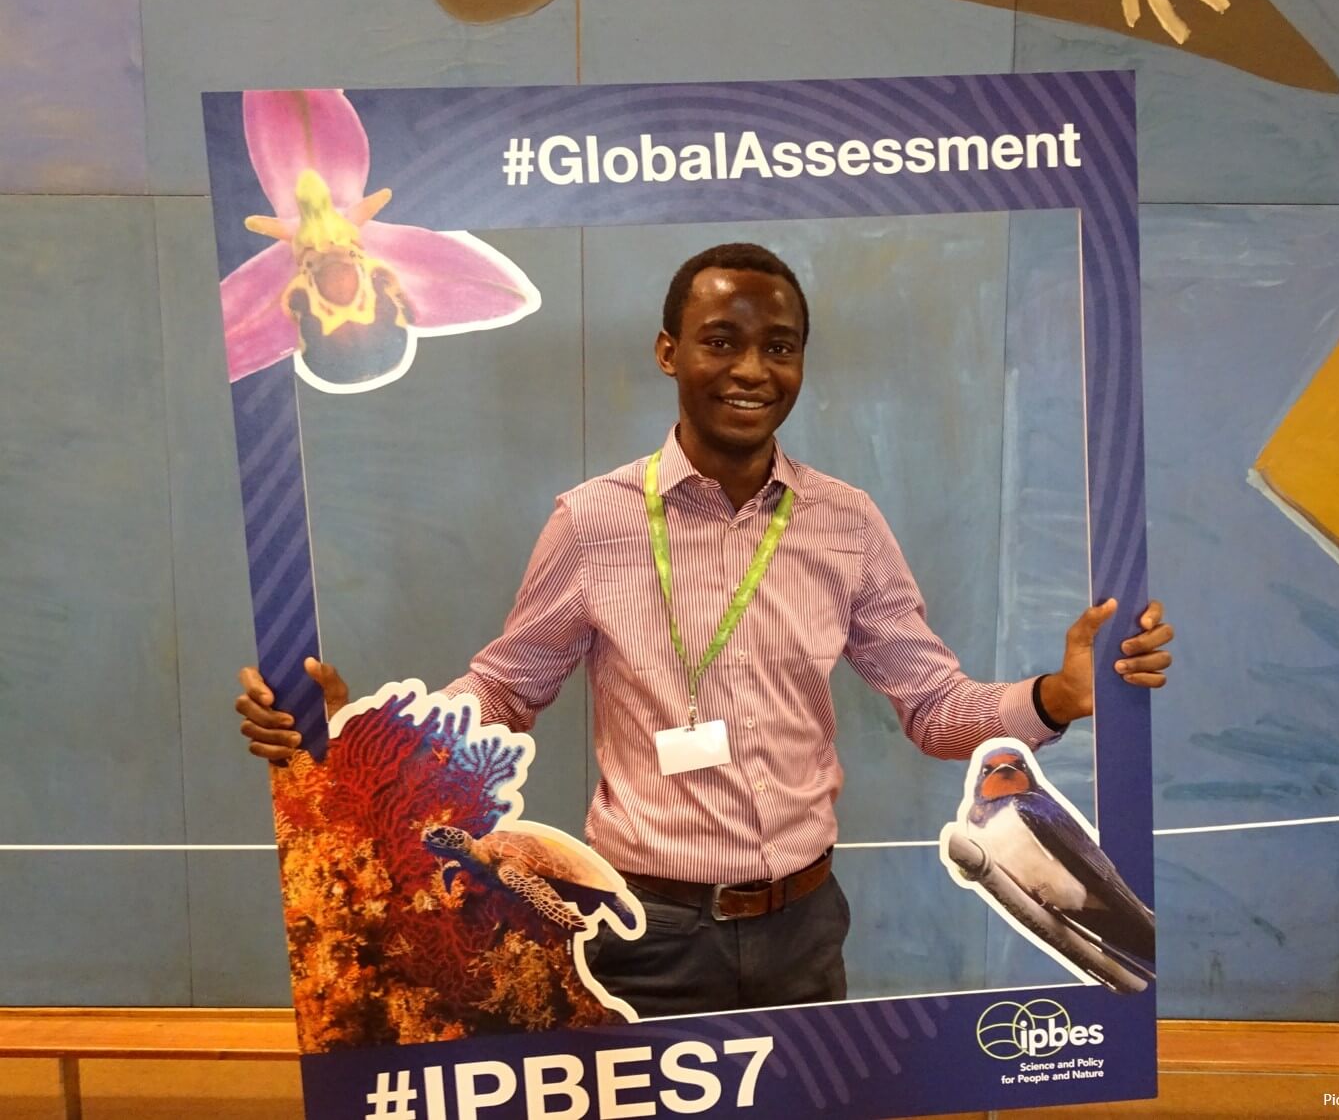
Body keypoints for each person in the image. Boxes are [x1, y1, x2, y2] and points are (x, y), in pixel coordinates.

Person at [235, 242, 1174, 1017]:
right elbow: (505, 690)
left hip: (804, 929)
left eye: (780, 347)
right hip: (646, 930)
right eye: (721, 341)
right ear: (669, 351)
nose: (753, 370)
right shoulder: (593, 522)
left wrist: (1056, 697)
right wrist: (363, 734)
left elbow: (934, 706)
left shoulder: (845, 523)